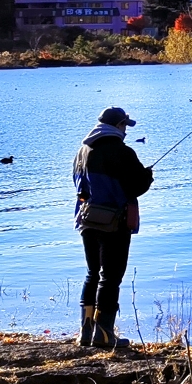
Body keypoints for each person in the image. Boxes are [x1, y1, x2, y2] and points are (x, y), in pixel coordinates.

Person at [73, 107, 153, 349]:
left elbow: (78, 185)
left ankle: (85, 333)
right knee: (110, 277)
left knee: (92, 273)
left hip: (86, 220)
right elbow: (136, 186)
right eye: (125, 126)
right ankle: (105, 334)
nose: (126, 131)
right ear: (117, 126)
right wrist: (147, 176)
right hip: (114, 223)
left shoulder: (82, 150)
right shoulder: (123, 151)